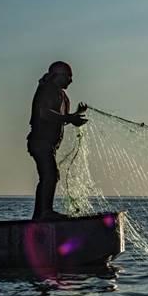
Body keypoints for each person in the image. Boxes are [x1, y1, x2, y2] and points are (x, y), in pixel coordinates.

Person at [27, 61, 88, 220]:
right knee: (50, 175)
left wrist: (76, 115)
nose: (71, 80)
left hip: (49, 145)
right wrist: (70, 118)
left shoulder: (62, 95)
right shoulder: (48, 89)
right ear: (58, 75)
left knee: (50, 175)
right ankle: (44, 213)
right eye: (68, 76)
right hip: (40, 142)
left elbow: (61, 119)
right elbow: (44, 113)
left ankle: (40, 215)